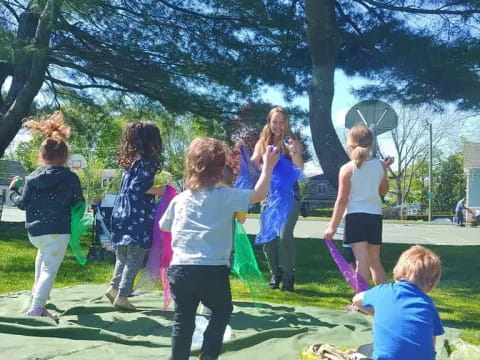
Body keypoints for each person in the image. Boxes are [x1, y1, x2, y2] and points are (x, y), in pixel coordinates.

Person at [160, 137, 279, 360]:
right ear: (221, 168)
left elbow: (163, 226)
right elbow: (259, 195)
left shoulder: (181, 199)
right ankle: (208, 356)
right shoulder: (227, 196)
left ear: (191, 166)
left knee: (182, 320)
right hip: (212, 270)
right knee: (222, 311)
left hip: (180, 270)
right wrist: (268, 166)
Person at [9, 112, 84, 319]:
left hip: (35, 233)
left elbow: (22, 204)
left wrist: (13, 191)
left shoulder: (32, 178)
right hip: (58, 231)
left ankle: (37, 295)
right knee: (49, 270)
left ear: (42, 156)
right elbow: (78, 202)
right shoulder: (70, 178)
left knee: (41, 261)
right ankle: (37, 308)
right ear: (66, 157)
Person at [323, 124, 394, 286]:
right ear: (371, 144)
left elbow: (341, 200)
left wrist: (331, 227)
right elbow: (383, 191)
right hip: (375, 217)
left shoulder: (347, 169)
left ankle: (362, 302)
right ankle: (382, 301)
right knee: (375, 262)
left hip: (356, 218)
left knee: (361, 262)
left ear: (349, 145)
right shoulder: (381, 166)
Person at [105, 121, 164, 310]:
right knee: (135, 257)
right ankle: (123, 295)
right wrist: (161, 190)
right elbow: (139, 188)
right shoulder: (147, 164)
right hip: (137, 216)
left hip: (121, 213)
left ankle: (114, 288)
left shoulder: (130, 164)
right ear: (151, 142)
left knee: (122, 255)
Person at [352, 245, 444, 360]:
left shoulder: (382, 291)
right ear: (431, 284)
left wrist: (378, 314)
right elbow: (432, 342)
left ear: (397, 270)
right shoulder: (428, 305)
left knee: (365, 349)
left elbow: (356, 300)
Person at [251, 106, 304, 292]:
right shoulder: (262, 143)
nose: (279, 126)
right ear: (269, 122)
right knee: (269, 240)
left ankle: (289, 277)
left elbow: (299, 170)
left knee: (284, 235)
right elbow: (253, 164)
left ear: (287, 123)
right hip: (268, 197)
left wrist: (294, 152)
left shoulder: (291, 142)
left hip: (290, 196)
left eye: (282, 122)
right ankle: (276, 273)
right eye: (275, 122)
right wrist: (243, 152)